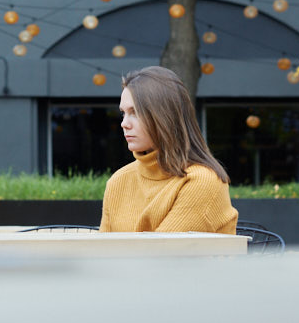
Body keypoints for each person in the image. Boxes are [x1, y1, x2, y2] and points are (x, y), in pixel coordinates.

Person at [100, 66, 238, 234]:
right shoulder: (119, 181)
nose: (124, 123)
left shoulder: (202, 181)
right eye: (123, 113)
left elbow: (163, 249)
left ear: (163, 116)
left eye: (135, 112)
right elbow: (101, 248)